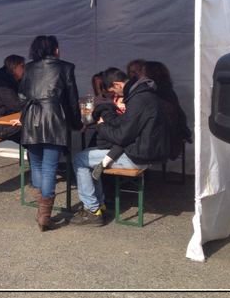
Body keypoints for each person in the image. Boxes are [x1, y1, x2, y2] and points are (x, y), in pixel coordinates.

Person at [72, 66, 169, 226]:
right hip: (144, 150)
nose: (116, 95)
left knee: (80, 159)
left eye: (114, 91)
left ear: (117, 84)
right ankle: (98, 205)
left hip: (138, 154)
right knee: (87, 155)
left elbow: (122, 136)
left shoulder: (138, 99)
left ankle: (92, 210)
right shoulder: (144, 93)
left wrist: (101, 126)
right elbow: (126, 126)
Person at [19, 35, 81, 231]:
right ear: (55, 49)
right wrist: (76, 123)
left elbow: (21, 94)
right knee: (49, 167)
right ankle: (44, 215)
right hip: (53, 117)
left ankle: (42, 211)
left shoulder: (28, 68)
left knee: (36, 163)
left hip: (31, 117)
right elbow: (71, 100)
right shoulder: (66, 67)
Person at [143, 60, 192, 160]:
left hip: (164, 138)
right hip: (169, 135)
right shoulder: (166, 90)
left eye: (143, 72)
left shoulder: (158, 93)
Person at [0, 54, 25, 142]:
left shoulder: (11, 82)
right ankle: (34, 154)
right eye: (22, 66)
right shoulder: (3, 85)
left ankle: (35, 154)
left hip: (7, 123)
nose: (24, 69)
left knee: (32, 130)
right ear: (14, 68)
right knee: (32, 132)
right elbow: (16, 106)